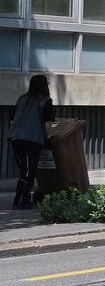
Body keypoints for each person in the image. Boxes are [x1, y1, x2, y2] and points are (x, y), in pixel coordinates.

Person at [8, 75, 54, 209]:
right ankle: (20, 200)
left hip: (16, 138)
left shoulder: (21, 100)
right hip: (32, 140)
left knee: (24, 169)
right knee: (28, 171)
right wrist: (46, 137)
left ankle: (25, 199)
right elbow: (47, 124)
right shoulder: (45, 101)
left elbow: (12, 120)